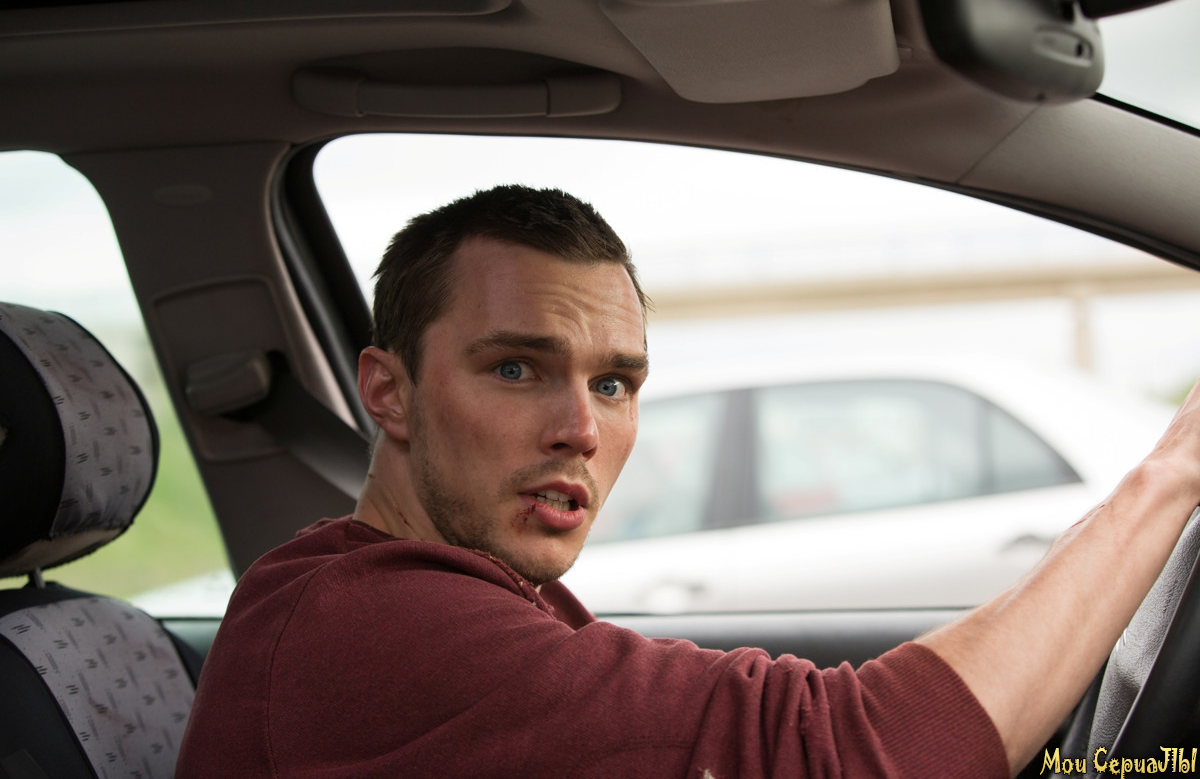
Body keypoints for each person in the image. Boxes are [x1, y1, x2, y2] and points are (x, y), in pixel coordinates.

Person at [177, 185, 1200, 777]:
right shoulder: (367, 624)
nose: (582, 429)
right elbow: (851, 752)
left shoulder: (463, 597)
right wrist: (1173, 474)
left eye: (614, 383)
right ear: (388, 392)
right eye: (517, 368)